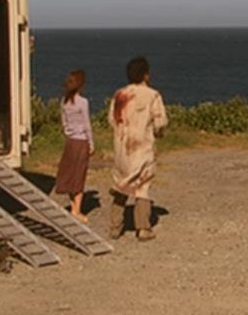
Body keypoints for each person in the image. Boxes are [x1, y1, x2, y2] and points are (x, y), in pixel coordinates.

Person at [108, 56, 169, 242]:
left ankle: (115, 226)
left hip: (122, 148)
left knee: (121, 185)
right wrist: (158, 133)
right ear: (146, 75)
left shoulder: (119, 95)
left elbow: (111, 120)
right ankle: (143, 228)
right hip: (142, 147)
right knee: (142, 187)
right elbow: (160, 122)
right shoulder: (152, 95)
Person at [53, 70, 95, 222]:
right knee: (79, 176)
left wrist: (68, 133)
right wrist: (91, 143)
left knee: (70, 174)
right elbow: (87, 125)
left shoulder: (64, 101)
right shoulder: (82, 102)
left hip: (70, 141)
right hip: (81, 141)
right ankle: (76, 211)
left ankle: (73, 207)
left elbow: (64, 122)